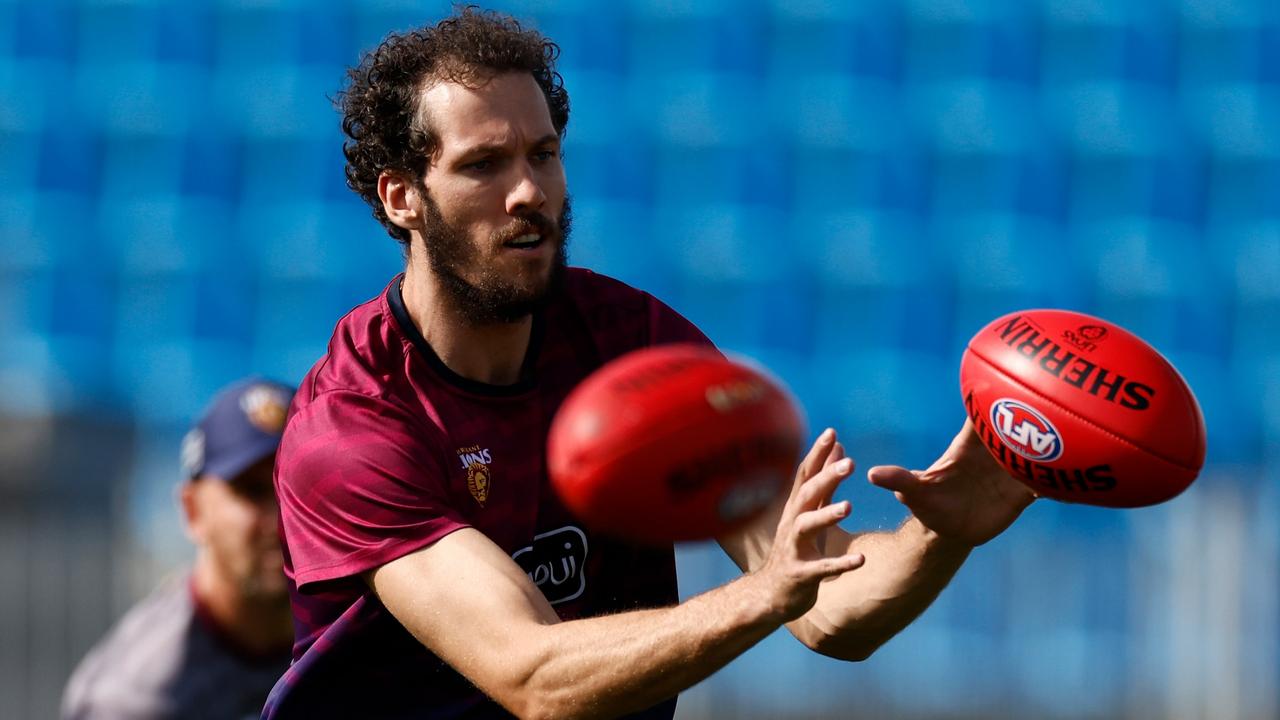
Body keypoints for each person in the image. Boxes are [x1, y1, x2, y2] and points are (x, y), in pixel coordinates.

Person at [265, 8, 1036, 719]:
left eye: (543, 154)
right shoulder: (352, 426)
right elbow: (532, 675)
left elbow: (833, 608)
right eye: (484, 165)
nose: (529, 191)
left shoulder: (634, 347)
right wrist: (763, 596)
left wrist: (945, 535)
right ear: (402, 196)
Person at [63, 378, 296, 720]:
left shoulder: (373, 634)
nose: (280, 518)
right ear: (193, 511)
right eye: (253, 492)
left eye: (295, 484)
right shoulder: (132, 699)